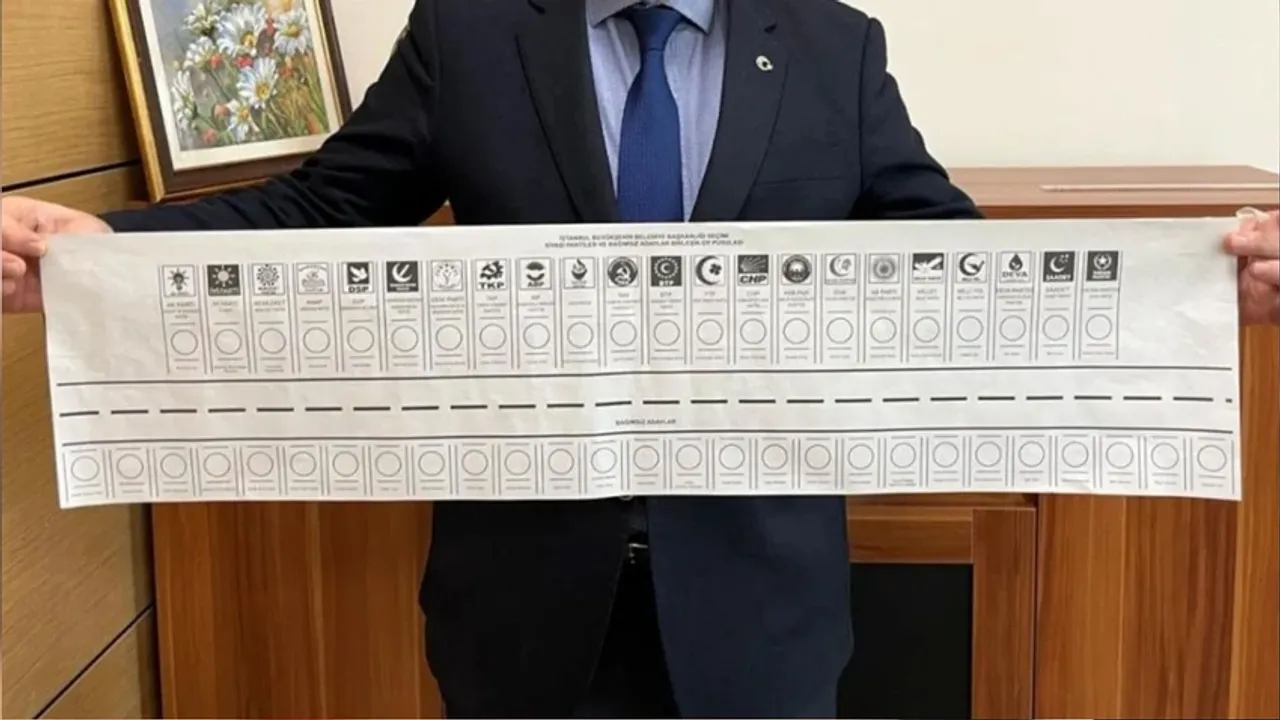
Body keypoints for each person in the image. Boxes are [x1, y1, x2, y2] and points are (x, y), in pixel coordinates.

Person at [2, 0, 1277, 715]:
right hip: (521, 602)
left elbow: (953, 264)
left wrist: (1196, 288)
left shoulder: (832, 46)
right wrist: (103, 245)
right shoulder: (469, 34)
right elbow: (317, 213)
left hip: (761, 605)